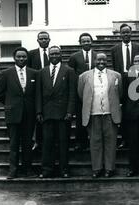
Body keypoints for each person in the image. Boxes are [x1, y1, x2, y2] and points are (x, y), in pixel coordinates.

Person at [0, 47, 38, 179]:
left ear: (27, 58)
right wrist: (10, 104)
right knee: (13, 144)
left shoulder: (34, 73)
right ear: (14, 58)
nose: (21, 59)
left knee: (27, 143)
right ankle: (13, 170)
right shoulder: (6, 73)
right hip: (13, 115)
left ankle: (27, 169)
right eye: (19, 56)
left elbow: (36, 94)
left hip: (29, 115)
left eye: (24, 56)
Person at [78, 53, 122, 178]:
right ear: (94, 61)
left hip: (110, 113)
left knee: (111, 142)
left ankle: (109, 168)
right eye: (98, 59)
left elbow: (120, 93)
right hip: (93, 114)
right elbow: (81, 94)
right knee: (95, 142)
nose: (101, 61)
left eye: (104, 59)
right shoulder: (84, 76)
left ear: (107, 61)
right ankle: (97, 168)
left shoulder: (116, 75)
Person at [36, 46, 76, 178]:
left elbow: (72, 93)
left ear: (61, 55)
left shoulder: (69, 71)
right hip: (47, 114)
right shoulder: (42, 72)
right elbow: (38, 94)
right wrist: (39, 111)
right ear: (48, 55)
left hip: (63, 114)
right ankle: (47, 170)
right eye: (51, 54)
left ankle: (64, 169)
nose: (54, 56)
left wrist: (70, 111)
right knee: (47, 142)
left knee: (63, 142)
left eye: (56, 53)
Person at [110, 23, 139, 148]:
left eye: (127, 32)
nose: (125, 34)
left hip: (135, 79)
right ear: (120, 34)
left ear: (131, 33)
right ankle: (125, 137)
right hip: (122, 79)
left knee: (136, 108)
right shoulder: (114, 49)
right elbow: (114, 66)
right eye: (123, 32)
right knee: (124, 109)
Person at [68, 32, 97, 152]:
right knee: (81, 119)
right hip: (80, 92)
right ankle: (81, 142)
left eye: (88, 40)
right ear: (80, 43)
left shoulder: (97, 55)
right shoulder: (74, 57)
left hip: (95, 90)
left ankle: (94, 141)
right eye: (84, 41)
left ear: (91, 42)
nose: (86, 43)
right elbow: (71, 73)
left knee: (94, 117)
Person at [27, 31, 51, 151]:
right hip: (35, 87)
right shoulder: (31, 54)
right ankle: (36, 141)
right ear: (37, 40)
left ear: (49, 40)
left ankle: (48, 141)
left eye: (46, 39)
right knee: (36, 116)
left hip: (49, 89)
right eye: (41, 39)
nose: (44, 41)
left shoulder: (53, 54)